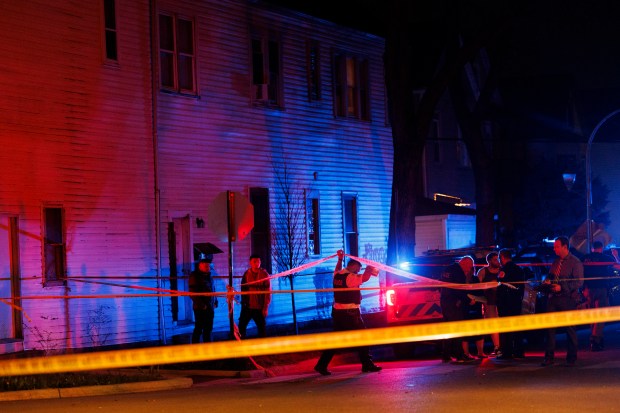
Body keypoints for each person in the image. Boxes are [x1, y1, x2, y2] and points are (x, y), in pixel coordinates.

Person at [314, 250, 382, 375]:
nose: (357, 272)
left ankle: (321, 365)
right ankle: (367, 364)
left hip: (338, 313)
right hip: (350, 314)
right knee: (363, 337)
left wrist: (339, 259)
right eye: (357, 269)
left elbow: (338, 268)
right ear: (353, 266)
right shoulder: (350, 277)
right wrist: (369, 267)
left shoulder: (337, 275)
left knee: (336, 340)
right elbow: (365, 278)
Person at [541, 236, 584, 366]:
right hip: (553, 298)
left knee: (570, 328)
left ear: (565, 247)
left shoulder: (575, 262)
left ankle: (571, 357)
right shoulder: (555, 262)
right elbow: (551, 275)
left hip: (568, 299)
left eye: (557, 246)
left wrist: (562, 287)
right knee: (550, 328)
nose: (554, 249)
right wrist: (547, 281)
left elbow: (579, 282)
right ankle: (549, 357)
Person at [582, 241, 616, 351]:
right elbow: (617, 267)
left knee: (592, 315)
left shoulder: (585, 258)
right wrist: (615, 256)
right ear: (601, 248)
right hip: (602, 288)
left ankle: (598, 340)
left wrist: (583, 289)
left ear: (592, 248)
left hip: (588, 289)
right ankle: (595, 340)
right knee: (601, 315)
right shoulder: (606, 258)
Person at [439, 256, 475, 363]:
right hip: (453, 303)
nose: (469, 269)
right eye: (469, 266)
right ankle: (459, 355)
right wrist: (469, 300)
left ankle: (446, 355)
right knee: (457, 329)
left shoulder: (448, 269)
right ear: (464, 263)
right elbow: (459, 290)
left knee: (448, 329)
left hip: (445, 301)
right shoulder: (458, 272)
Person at [496, 248, 527, 359]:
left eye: (499, 258)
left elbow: (499, 284)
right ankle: (519, 351)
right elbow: (522, 287)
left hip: (505, 303)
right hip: (516, 302)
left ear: (503, 257)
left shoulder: (504, 270)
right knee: (517, 328)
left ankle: (507, 352)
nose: (499, 260)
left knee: (505, 328)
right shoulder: (519, 269)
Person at [238, 254, 271, 339]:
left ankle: (262, 348)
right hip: (248, 307)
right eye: (254, 262)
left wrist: (265, 307)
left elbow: (268, 292)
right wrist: (244, 305)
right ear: (250, 263)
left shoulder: (264, 274)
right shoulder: (246, 274)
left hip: (259, 307)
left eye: (258, 261)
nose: (257, 263)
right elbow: (243, 290)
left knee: (262, 328)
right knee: (241, 326)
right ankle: (241, 346)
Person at [475, 252, 501, 355]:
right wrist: (489, 286)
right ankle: (497, 347)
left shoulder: (502, 271)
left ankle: (504, 346)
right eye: (495, 259)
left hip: (501, 302)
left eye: (498, 259)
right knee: (493, 325)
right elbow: (477, 287)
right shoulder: (483, 271)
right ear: (489, 261)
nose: (497, 261)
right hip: (489, 302)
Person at [189, 254, 218, 343]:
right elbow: (192, 293)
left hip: (210, 306)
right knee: (199, 328)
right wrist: (202, 305)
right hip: (200, 308)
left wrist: (215, 300)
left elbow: (213, 289)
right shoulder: (195, 276)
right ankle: (195, 347)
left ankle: (207, 346)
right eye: (205, 265)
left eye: (208, 265)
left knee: (208, 328)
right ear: (200, 266)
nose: (207, 267)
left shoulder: (209, 276)